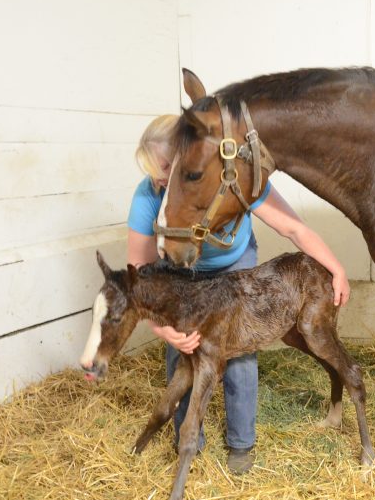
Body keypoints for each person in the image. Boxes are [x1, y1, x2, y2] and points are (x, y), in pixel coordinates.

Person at [128, 114, 350, 474]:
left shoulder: (235, 178)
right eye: (154, 169)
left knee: (241, 353)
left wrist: (336, 268)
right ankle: (188, 441)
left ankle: (241, 444)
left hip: (233, 264)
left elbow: (293, 227)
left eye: (166, 166)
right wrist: (161, 327)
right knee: (182, 352)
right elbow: (138, 271)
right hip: (183, 271)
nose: (158, 177)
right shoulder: (149, 194)